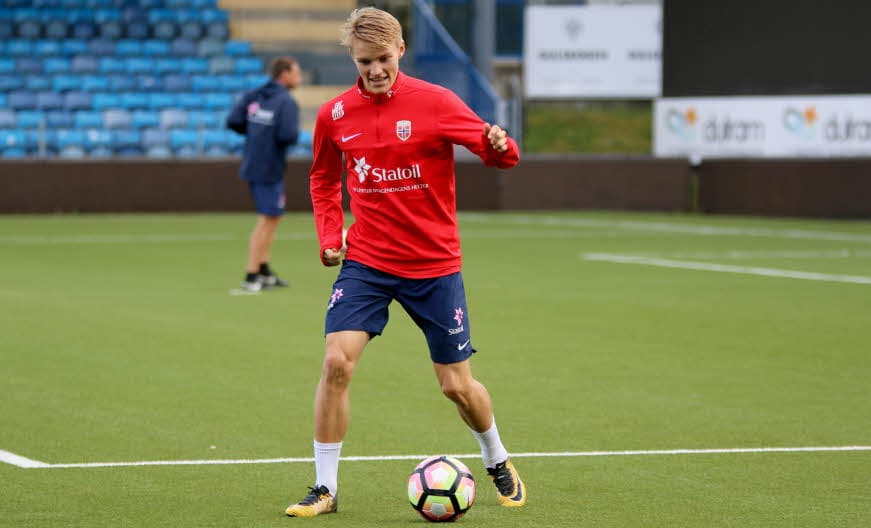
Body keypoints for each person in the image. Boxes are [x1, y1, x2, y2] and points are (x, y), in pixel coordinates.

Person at [285, 7, 526, 517]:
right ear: (353, 57)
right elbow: (324, 180)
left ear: (401, 52)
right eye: (365, 60)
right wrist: (331, 236)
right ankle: (325, 488)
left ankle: (497, 457)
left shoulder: (436, 102)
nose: (375, 70)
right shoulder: (335, 115)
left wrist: (499, 145)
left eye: (383, 59)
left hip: (434, 264)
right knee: (335, 363)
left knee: (456, 386)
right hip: (368, 261)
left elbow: (498, 154)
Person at [226, 56, 302, 292]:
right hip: (270, 167)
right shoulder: (286, 102)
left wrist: (257, 132)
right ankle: (251, 274)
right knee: (267, 220)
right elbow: (287, 135)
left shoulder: (254, 95)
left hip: (252, 162)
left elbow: (234, 121)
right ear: (285, 75)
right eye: (296, 72)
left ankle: (264, 269)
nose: (299, 77)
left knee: (272, 217)